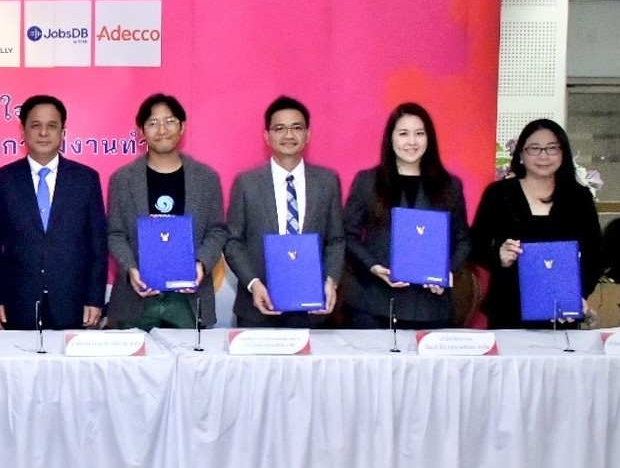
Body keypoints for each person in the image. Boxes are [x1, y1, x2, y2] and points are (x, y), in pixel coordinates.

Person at [0, 95, 106, 330]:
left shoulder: (86, 180)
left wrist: (94, 298)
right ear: (23, 130)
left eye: (51, 126)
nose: (43, 133)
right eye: (35, 125)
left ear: (62, 131)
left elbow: (97, 246)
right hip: (17, 303)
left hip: (73, 301)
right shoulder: (3, 180)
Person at [342, 103, 469, 329]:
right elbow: (346, 235)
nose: (411, 141)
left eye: (419, 133)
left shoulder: (450, 186)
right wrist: (372, 266)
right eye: (403, 134)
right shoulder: (367, 181)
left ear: (429, 139)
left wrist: (447, 270)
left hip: (430, 306)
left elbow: (463, 240)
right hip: (373, 303)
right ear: (390, 138)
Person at [106, 93, 227, 330]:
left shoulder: (206, 178)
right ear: (141, 131)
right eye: (153, 123)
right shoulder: (122, 179)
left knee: (191, 356)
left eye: (170, 121)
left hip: (189, 301)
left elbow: (217, 231)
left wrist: (201, 265)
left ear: (183, 126)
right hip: (136, 299)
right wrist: (130, 268)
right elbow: (115, 234)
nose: (162, 130)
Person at [223, 96, 345, 327]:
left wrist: (331, 280)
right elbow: (232, 242)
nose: (288, 135)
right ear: (267, 136)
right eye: (279, 129)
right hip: (258, 308)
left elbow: (336, 240)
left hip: (313, 309)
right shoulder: (246, 183)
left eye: (296, 128)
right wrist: (253, 284)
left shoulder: (327, 182)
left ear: (308, 134)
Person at [470, 118, 603, 328]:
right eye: (534, 148)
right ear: (521, 154)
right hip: (508, 309)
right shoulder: (499, 194)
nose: (543, 155)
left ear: (563, 153)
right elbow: (475, 244)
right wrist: (498, 256)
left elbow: (594, 255)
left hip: (561, 310)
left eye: (552, 148)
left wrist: (578, 295)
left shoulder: (579, 198)